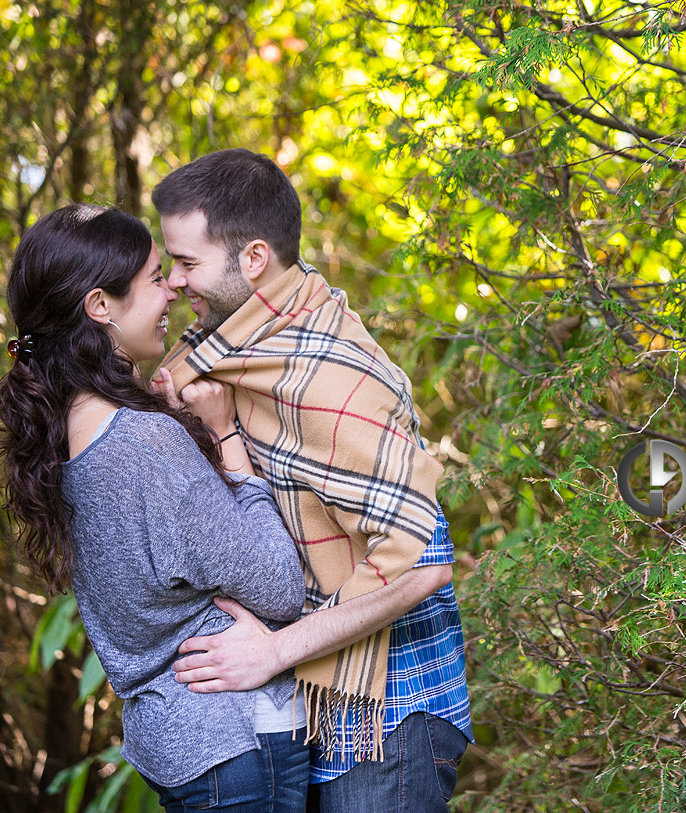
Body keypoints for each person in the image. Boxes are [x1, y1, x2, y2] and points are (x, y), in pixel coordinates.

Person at [152, 148, 472, 811]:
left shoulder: (334, 378)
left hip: (389, 713)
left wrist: (273, 651)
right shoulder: (236, 348)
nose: (176, 282)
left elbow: (422, 563)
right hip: (310, 706)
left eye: (186, 264)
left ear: (254, 259)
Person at [0, 203, 311, 812]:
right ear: (100, 306)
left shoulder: (62, 437)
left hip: (178, 743)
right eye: (154, 278)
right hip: (234, 740)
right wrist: (228, 442)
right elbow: (278, 585)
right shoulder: (141, 442)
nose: (171, 293)